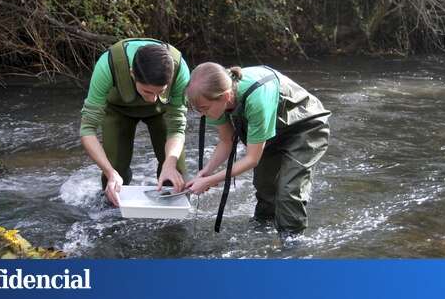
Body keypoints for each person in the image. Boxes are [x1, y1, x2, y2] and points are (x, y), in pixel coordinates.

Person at [185, 62, 331, 238]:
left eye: (204, 109)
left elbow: (252, 159)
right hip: (272, 132)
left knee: (287, 193)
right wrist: (206, 172)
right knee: (264, 188)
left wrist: (211, 181)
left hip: (306, 128)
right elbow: (226, 141)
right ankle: (262, 235)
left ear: (225, 96)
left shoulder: (257, 99)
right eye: (198, 109)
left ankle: (291, 245)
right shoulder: (212, 101)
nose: (202, 115)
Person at [80, 38, 189, 206]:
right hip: (118, 110)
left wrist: (170, 163)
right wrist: (110, 172)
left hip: (162, 112)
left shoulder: (180, 70)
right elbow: (87, 129)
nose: (152, 99)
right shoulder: (107, 65)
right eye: (147, 91)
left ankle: (172, 227)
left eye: (160, 91)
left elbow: (177, 126)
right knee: (115, 173)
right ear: (132, 73)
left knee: (177, 174)